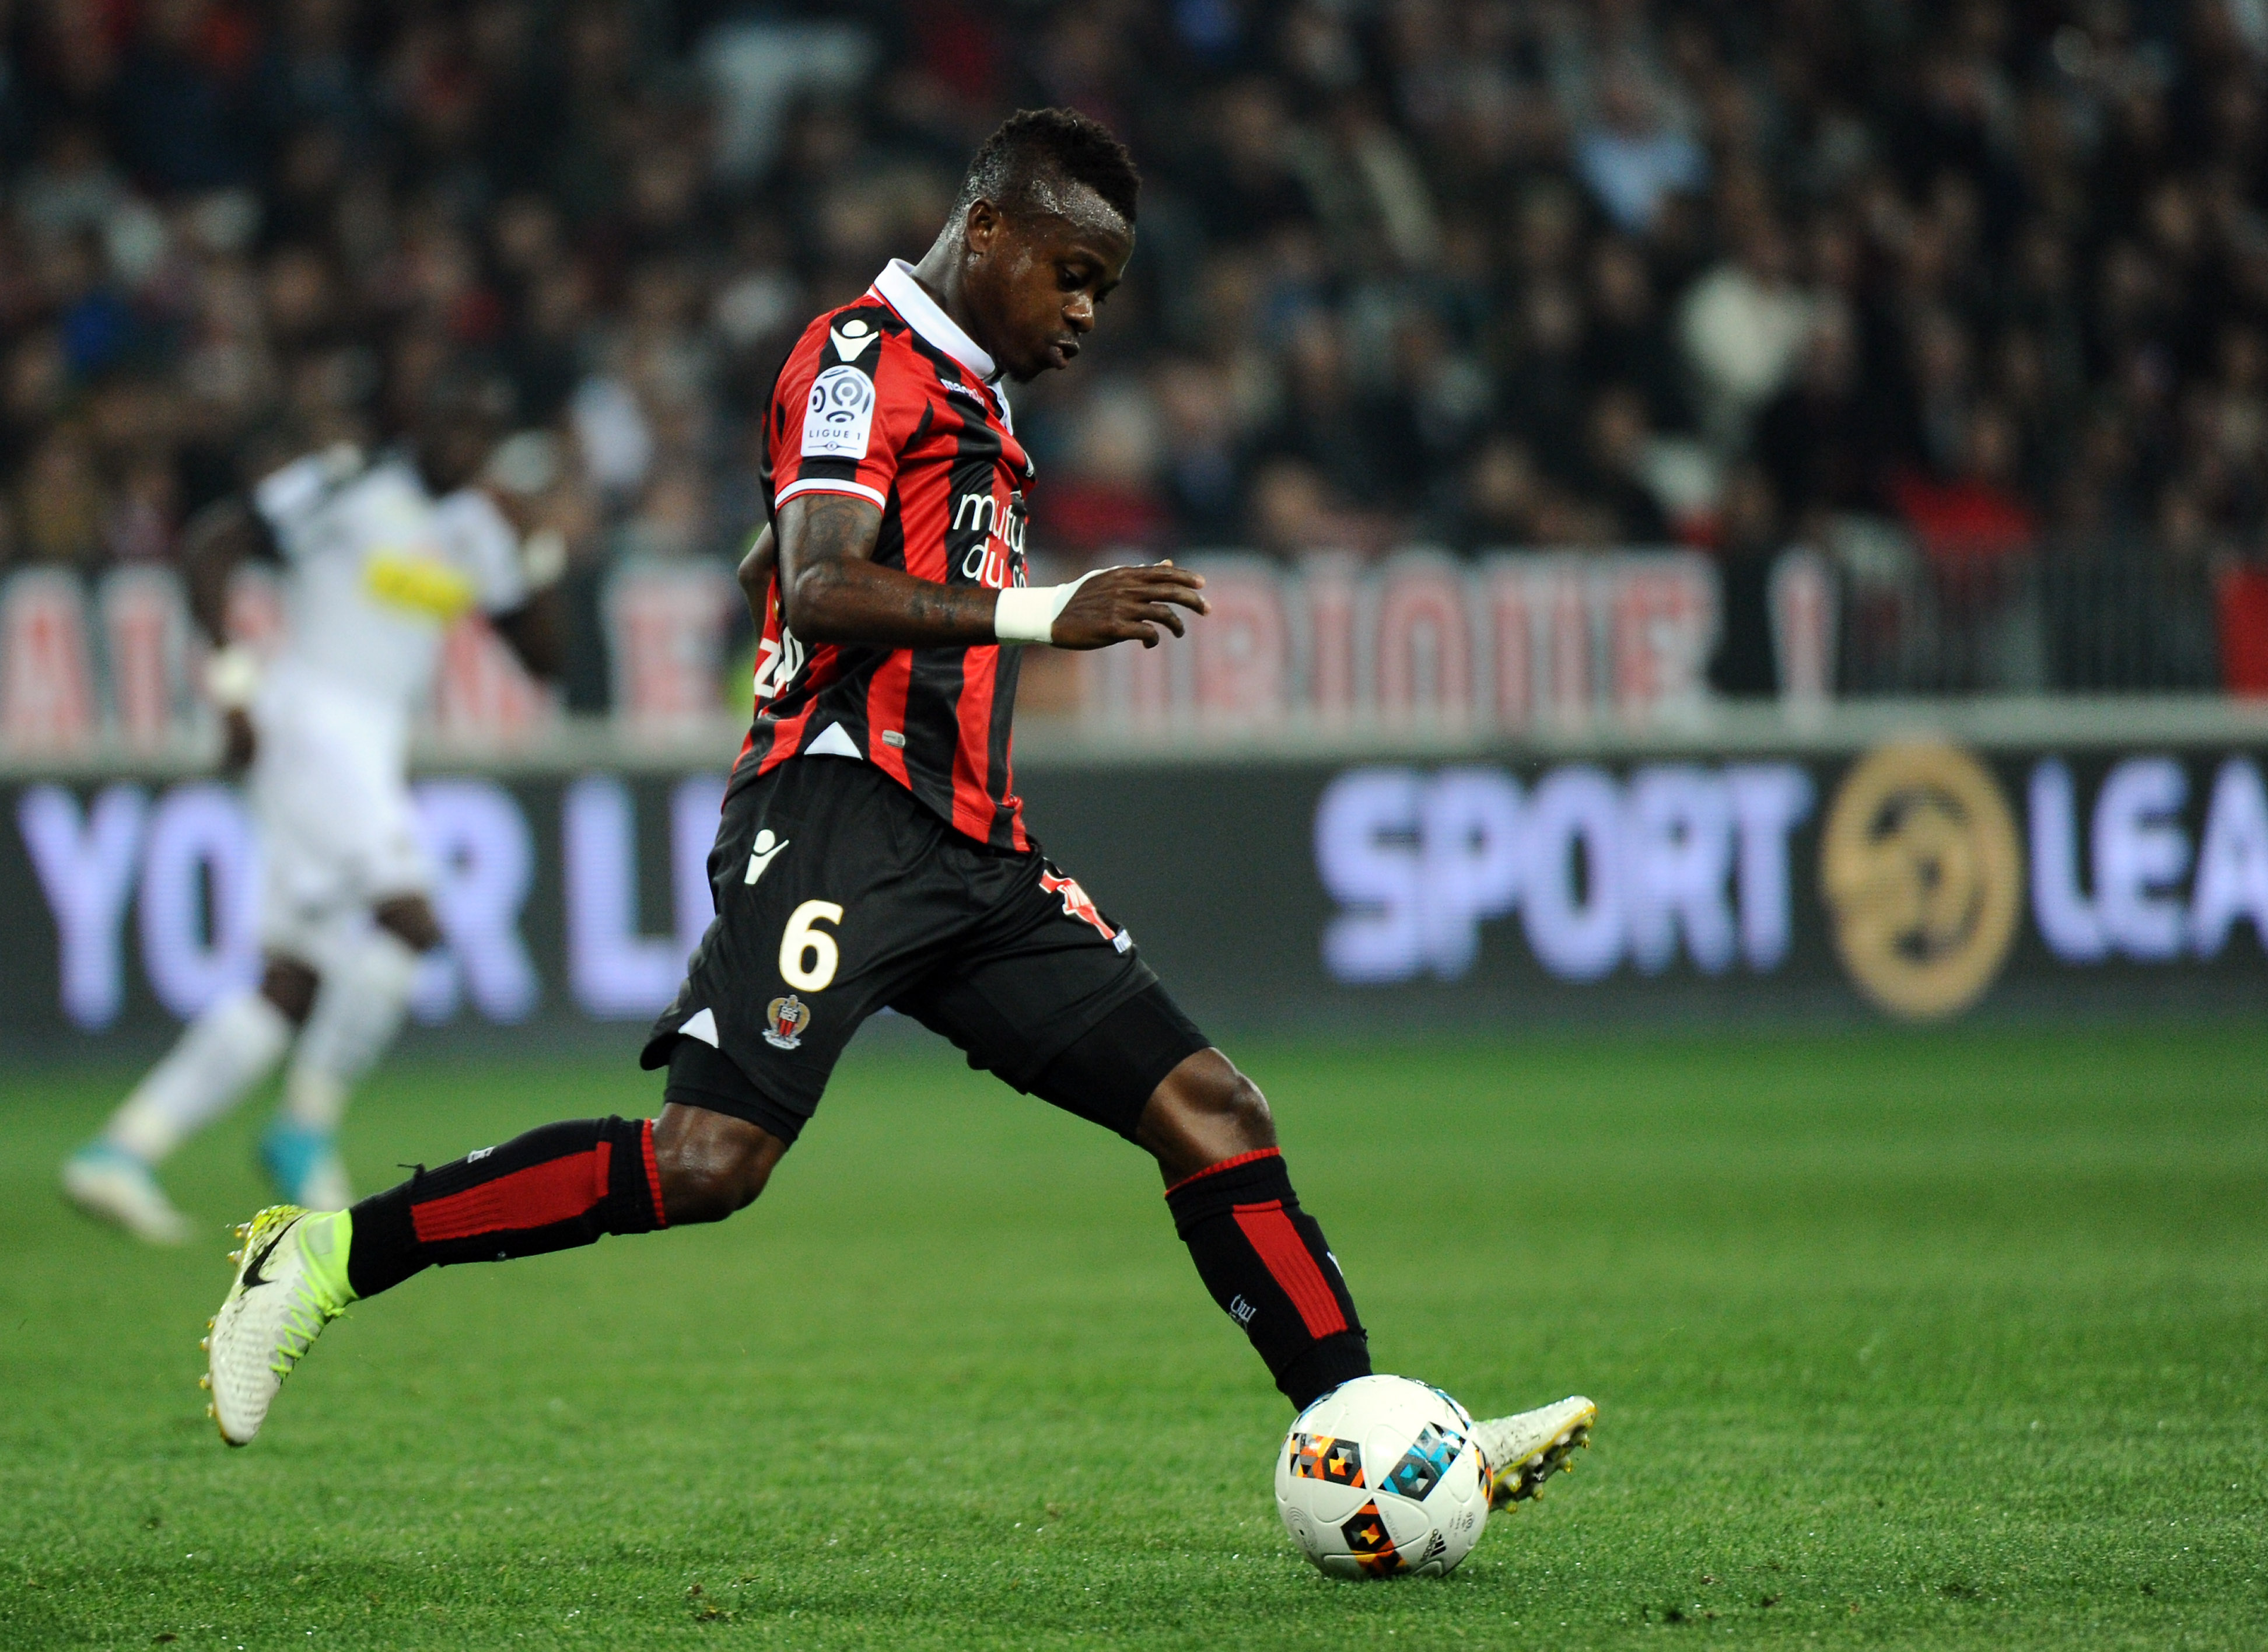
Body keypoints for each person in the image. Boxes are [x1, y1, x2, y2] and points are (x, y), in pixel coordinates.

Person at [200, 107, 1593, 1508]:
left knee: (1211, 1107)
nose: (1086, 311)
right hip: (843, 820)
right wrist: (1046, 615)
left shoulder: (967, 387)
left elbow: (773, 559)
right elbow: (812, 584)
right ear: (987, 229)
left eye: (1102, 287)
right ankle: (323, 1257)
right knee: (709, 1161)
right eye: (1070, 272)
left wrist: (795, 572)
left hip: (975, 851)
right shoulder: (864, 359)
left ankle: (1381, 1436)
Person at [62, 373, 565, 1242]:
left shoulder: (480, 531)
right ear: (420, 420)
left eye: (482, 432)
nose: (466, 445)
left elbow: (541, 656)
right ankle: (303, 1127)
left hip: (371, 745)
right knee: (411, 921)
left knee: (289, 981)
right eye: (454, 423)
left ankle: (123, 1150)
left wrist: (538, 552)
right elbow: (215, 544)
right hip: (309, 721)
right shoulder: (354, 483)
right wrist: (230, 683)